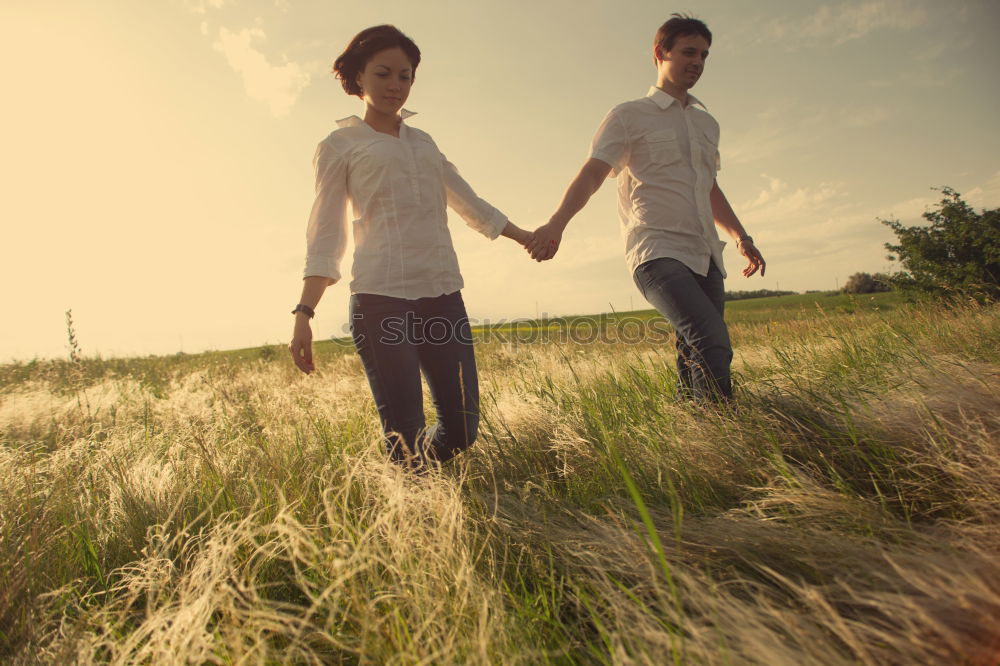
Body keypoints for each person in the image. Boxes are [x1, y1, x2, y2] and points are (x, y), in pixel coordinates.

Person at [289, 25, 533, 470]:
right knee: (405, 436)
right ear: (358, 77)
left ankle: (419, 480)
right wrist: (304, 312)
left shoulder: (424, 143)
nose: (395, 86)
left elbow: (469, 203)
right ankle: (415, 516)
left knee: (462, 429)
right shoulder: (340, 145)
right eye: (383, 74)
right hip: (381, 302)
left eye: (405, 76)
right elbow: (325, 232)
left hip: (442, 297)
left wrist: (527, 237)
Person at [525, 14, 765, 402]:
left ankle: (695, 434)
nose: (698, 63)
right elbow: (591, 173)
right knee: (711, 339)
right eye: (688, 52)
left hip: (705, 256)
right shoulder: (628, 116)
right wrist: (556, 224)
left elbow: (709, 188)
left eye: (704, 55)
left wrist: (741, 236)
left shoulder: (708, 125)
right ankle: (726, 431)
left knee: (693, 354)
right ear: (660, 53)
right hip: (656, 251)